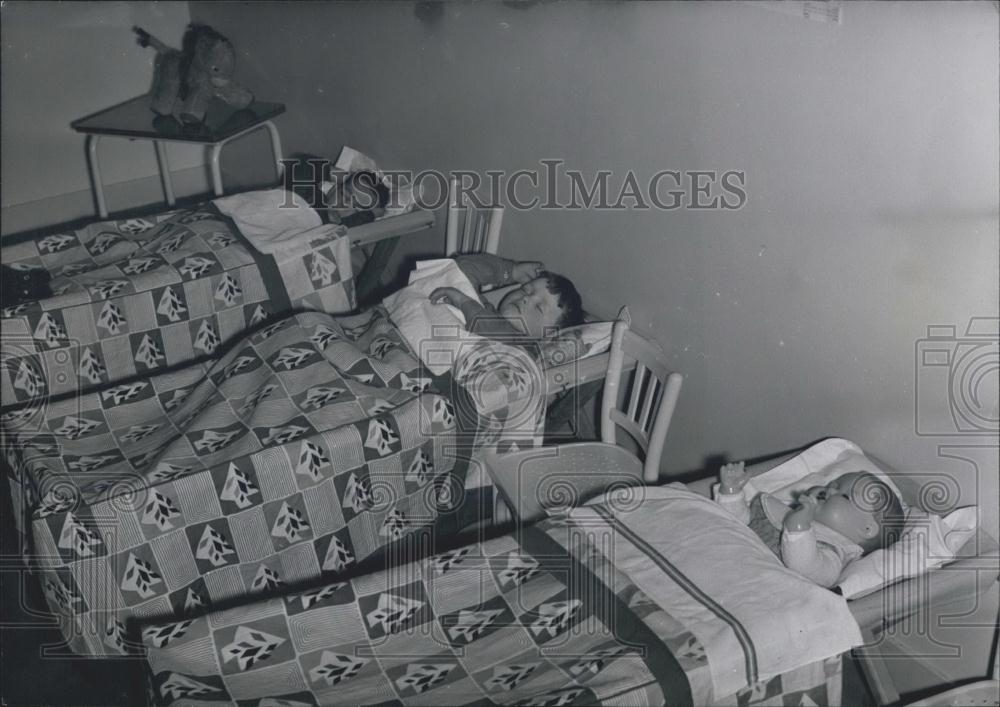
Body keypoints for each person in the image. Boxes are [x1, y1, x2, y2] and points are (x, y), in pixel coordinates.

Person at [715, 462, 905, 587]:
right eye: (832, 485)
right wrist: (731, 492)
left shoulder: (834, 553)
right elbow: (736, 525)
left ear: (867, 529)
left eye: (844, 496)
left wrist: (799, 529)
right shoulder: (790, 515)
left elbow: (807, 569)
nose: (828, 490)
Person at [428, 253, 584, 340]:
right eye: (526, 290)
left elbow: (489, 329)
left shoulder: (522, 348)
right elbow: (461, 271)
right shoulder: (484, 310)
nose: (526, 298)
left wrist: (463, 302)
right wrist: (510, 271)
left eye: (539, 307)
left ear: (549, 336)